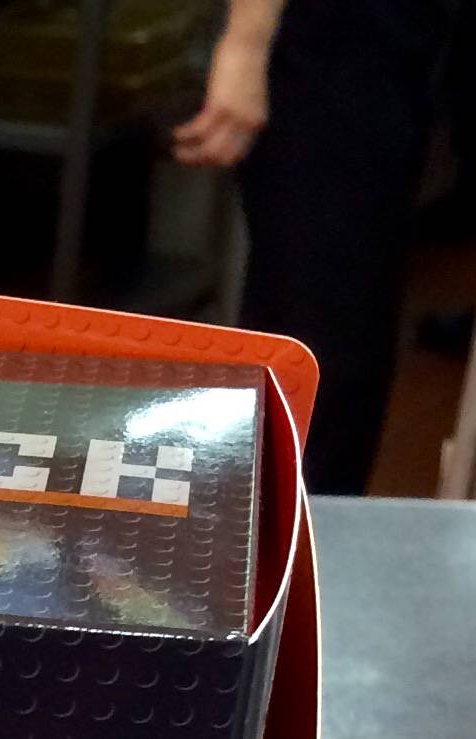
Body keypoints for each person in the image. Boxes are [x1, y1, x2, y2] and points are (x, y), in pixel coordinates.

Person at [176, 0, 459, 492]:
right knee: (322, 334)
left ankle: (291, 514)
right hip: (330, 46)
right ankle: (288, 521)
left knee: (343, 326)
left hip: (390, 46)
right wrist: (246, 45)